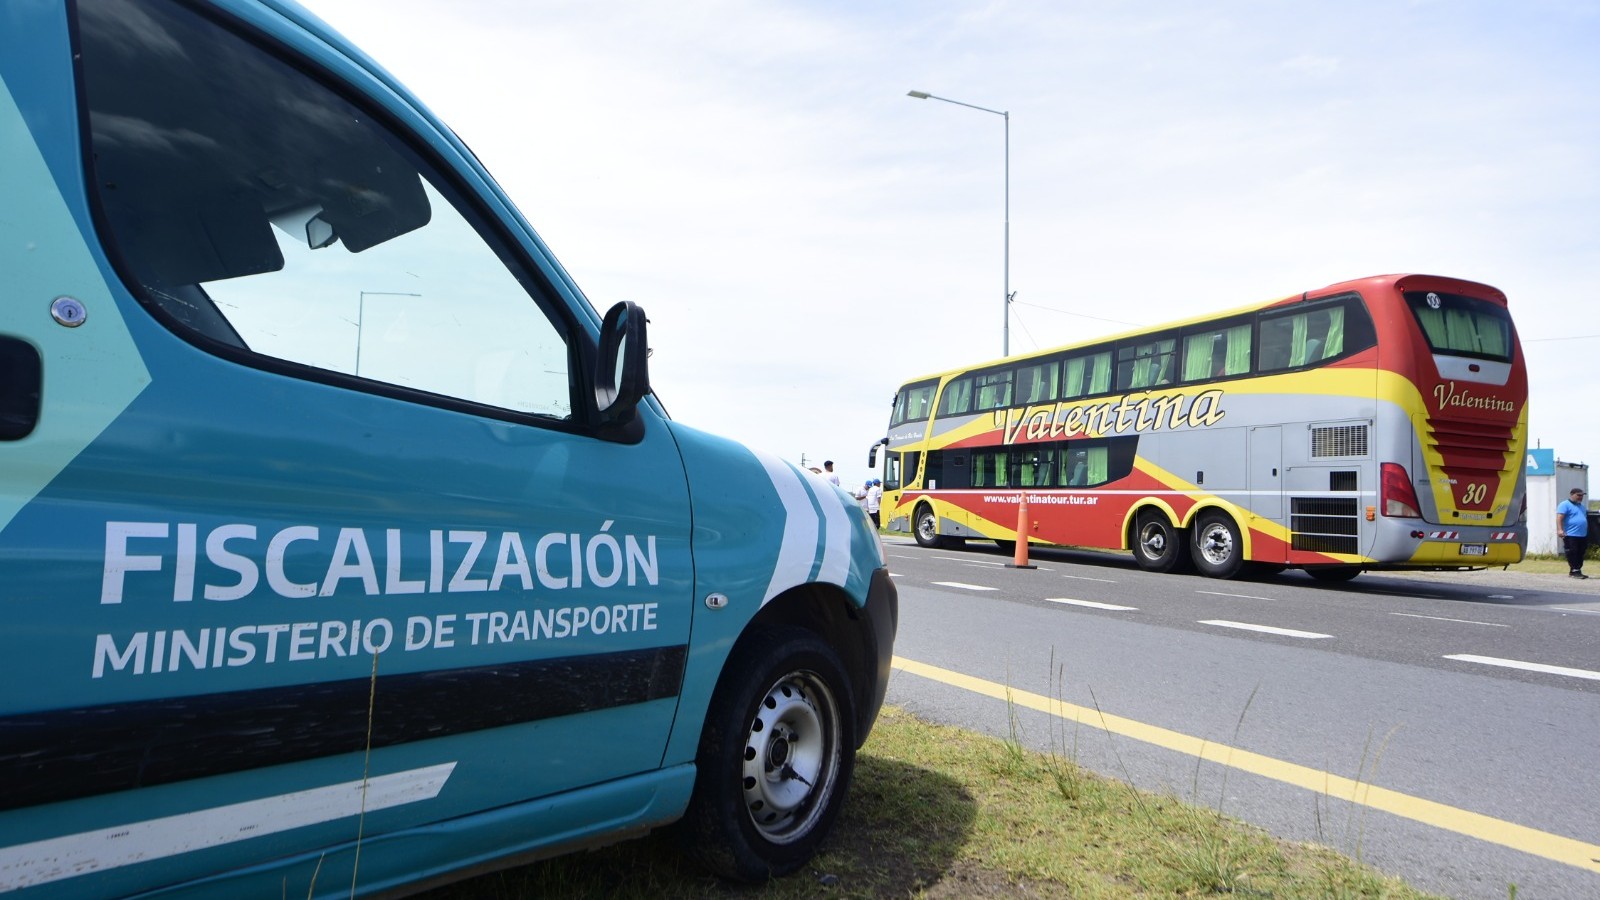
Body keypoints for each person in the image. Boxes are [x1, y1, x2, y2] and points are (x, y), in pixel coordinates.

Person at [1557, 487, 1589, 579]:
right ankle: (1575, 571)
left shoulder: (1581, 507)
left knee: (1580, 552)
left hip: (1582, 534)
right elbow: (1559, 518)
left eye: (1582, 496)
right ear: (1572, 495)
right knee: (1572, 552)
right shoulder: (1565, 505)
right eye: (1578, 495)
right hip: (1571, 534)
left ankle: (1576, 570)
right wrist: (1560, 530)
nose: (1580, 497)